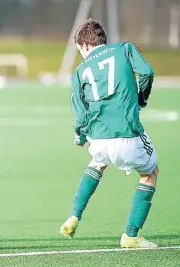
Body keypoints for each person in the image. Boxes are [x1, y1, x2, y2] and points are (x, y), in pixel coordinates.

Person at [60, 19, 158, 248]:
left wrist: (80, 136)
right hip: (128, 133)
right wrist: (141, 99)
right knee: (150, 172)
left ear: (84, 45)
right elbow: (147, 73)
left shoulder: (79, 71)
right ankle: (131, 236)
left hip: (98, 138)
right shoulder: (125, 49)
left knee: (97, 162)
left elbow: (80, 111)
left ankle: (74, 215)